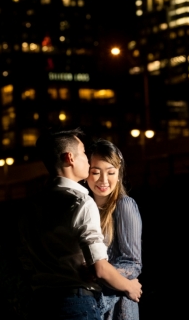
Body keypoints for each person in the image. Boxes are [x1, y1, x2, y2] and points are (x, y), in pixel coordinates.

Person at [20, 128, 142, 320]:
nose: (103, 179)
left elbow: (26, 259)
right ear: (70, 158)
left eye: (111, 172)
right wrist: (126, 284)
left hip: (46, 302)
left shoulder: (32, 205)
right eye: (84, 154)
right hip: (79, 300)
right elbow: (100, 268)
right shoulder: (81, 203)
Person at [86, 139, 142, 320]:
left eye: (111, 172)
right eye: (95, 172)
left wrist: (97, 274)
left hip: (118, 303)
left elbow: (133, 263)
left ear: (118, 174)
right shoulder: (84, 207)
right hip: (89, 300)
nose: (103, 180)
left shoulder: (124, 205)